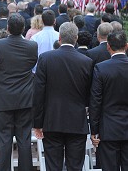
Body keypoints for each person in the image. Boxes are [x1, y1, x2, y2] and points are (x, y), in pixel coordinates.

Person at [33, 22, 93, 170]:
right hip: (77, 121)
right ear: (76, 38)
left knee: (53, 165)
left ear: (59, 38)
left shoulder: (46, 59)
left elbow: (39, 92)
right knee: (75, 166)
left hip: (52, 120)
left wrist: (37, 123)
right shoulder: (86, 62)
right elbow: (90, 94)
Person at [0, 14, 38, 171]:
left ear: (7, 28)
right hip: (25, 98)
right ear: (23, 29)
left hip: (4, 98)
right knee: (24, 140)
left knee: (5, 140)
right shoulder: (31, 46)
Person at [89, 31, 128, 170]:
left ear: (108, 46)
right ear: (126, 46)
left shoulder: (101, 68)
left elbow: (95, 101)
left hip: (108, 128)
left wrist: (94, 129)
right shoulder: (101, 68)